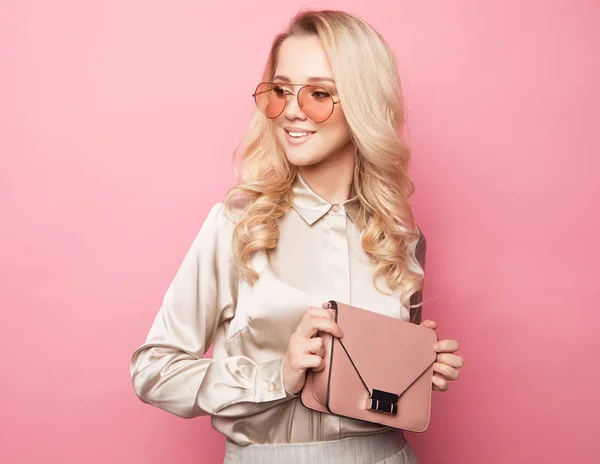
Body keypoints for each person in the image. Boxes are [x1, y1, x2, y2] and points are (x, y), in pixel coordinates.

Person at [130, 9, 464, 464]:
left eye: (319, 94)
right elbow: (154, 370)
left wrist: (415, 372)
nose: (290, 110)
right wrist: (278, 375)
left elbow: (371, 391)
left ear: (363, 104)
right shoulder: (240, 224)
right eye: (281, 91)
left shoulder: (400, 235)